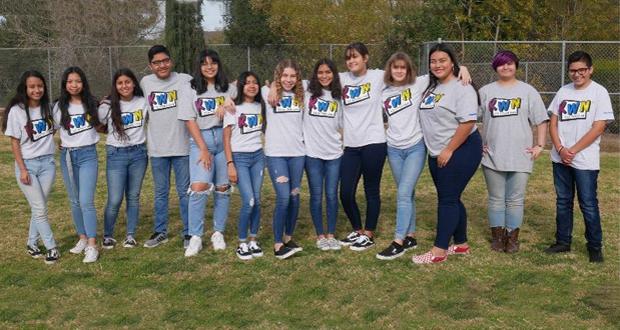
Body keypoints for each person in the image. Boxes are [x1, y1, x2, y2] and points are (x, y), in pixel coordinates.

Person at [412, 44, 482, 264]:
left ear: (452, 62)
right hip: (438, 151)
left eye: (443, 60)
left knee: (448, 199)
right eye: (433, 61)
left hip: (461, 148)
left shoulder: (462, 88)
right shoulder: (430, 85)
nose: (437, 64)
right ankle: (461, 244)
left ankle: (438, 251)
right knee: (450, 197)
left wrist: (449, 149)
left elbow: (468, 121)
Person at [544, 51, 614, 263]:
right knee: (563, 201)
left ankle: (594, 246)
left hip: (584, 160)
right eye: (573, 71)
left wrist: (572, 150)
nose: (577, 74)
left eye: (582, 70)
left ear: (590, 70)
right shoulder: (563, 91)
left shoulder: (599, 93)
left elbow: (599, 127)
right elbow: (553, 122)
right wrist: (560, 148)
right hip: (560, 158)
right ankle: (563, 241)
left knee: (588, 204)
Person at [479, 50, 548, 253]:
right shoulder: (485, 91)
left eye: (510, 63)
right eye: (501, 64)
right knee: (496, 198)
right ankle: (498, 238)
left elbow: (541, 120)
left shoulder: (528, 91)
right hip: (492, 155)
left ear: (516, 66)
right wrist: (476, 144)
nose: (506, 67)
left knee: (515, 199)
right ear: (495, 68)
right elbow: (469, 119)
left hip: (520, 155)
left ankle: (512, 238)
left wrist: (540, 145)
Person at [181, 49, 236, 257]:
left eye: (213, 63)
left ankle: (218, 232)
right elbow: (189, 119)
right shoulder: (191, 88)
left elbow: (245, 89)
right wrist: (203, 148)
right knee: (199, 186)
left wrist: (229, 103)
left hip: (223, 139)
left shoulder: (227, 88)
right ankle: (195, 236)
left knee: (222, 188)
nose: (209, 67)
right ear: (199, 67)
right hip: (201, 140)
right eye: (204, 63)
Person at [2, 70, 60, 264]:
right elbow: (14, 143)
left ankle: (31, 243)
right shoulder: (17, 111)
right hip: (27, 166)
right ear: (25, 88)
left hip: (48, 164)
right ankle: (52, 247)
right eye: (32, 86)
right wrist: (23, 169)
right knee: (40, 208)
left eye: (40, 86)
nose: (37, 90)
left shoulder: (48, 108)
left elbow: (53, 131)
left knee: (39, 207)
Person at [375, 52, 427, 260]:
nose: (399, 71)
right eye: (395, 67)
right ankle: (411, 235)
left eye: (402, 67)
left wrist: (464, 69)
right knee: (408, 192)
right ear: (390, 69)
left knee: (403, 194)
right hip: (394, 149)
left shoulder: (418, 84)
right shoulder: (384, 93)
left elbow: (444, 70)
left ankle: (398, 241)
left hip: (415, 146)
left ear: (409, 70)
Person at [336, 42, 388, 251]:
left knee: (371, 190)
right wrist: (274, 86)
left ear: (365, 58)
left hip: (374, 142)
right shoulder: (342, 79)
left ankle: (369, 233)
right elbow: (312, 81)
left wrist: (461, 69)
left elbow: (408, 75)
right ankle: (357, 229)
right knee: (345, 192)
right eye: (348, 58)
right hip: (351, 144)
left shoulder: (377, 76)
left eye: (355, 56)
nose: (351, 61)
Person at [140, 45, 192, 249]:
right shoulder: (145, 83)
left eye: (165, 61)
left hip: (182, 147)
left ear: (171, 61)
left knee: (184, 192)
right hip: (158, 149)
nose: (162, 65)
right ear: (150, 65)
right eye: (156, 62)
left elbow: (214, 88)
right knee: (161, 193)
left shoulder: (185, 80)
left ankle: (188, 232)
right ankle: (160, 231)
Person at [54, 66, 102, 263]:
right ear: (65, 84)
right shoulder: (58, 107)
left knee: (86, 201)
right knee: (74, 200)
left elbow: (102, 124)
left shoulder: (91, 103)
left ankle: (92, 245)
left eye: (78, 81)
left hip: (88, 154)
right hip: (67, 156)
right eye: (70, 81)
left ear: (83, 83)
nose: (74, 85)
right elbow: (52, 131)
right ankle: (82, 238)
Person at [98, 68, 148, 249]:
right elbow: (95, 124)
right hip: (116, 154)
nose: (124, 86)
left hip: (139, 154)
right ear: (115, 86)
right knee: (115, 198)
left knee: (133, 197)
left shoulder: (143, 102)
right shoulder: (108, 105)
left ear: (134, 83)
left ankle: (130, 235)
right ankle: (108, 235)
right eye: (120, 83)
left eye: (128, 82)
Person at [264, 59, 306, 258]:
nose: (289, 80)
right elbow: (237, 90)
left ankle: (289, 238)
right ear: (278, 76)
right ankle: (278, 244)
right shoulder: (267, 94)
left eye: (293, 76)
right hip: (276, 154)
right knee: (283, 197)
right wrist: (272, 86)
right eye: (285, 76)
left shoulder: (303, 93)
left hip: (298, 154)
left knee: (294, 197)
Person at [223, 71, 266, 260]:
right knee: (248, 201)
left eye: (255, 82)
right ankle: (241, 243)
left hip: (258, 156)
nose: (252, 86)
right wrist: (230, 164)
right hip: (239, 158)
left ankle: (253, 239)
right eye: (247, 82)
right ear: (241, 86)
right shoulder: (233, 107)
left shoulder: (261, 106)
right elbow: (226, 138)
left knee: (257, 200)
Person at [303, 58, 344, 251]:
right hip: (313, 154)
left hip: (334, 154)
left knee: (331, 195)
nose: (324, 76)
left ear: (334, 74)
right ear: (315, 74)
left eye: (328, 72)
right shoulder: (306, 91)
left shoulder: (339, 96)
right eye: (320, 72)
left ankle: (331, 235)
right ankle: (320, 235)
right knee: (316, 196)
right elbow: (279, 83)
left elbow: (343, 124)